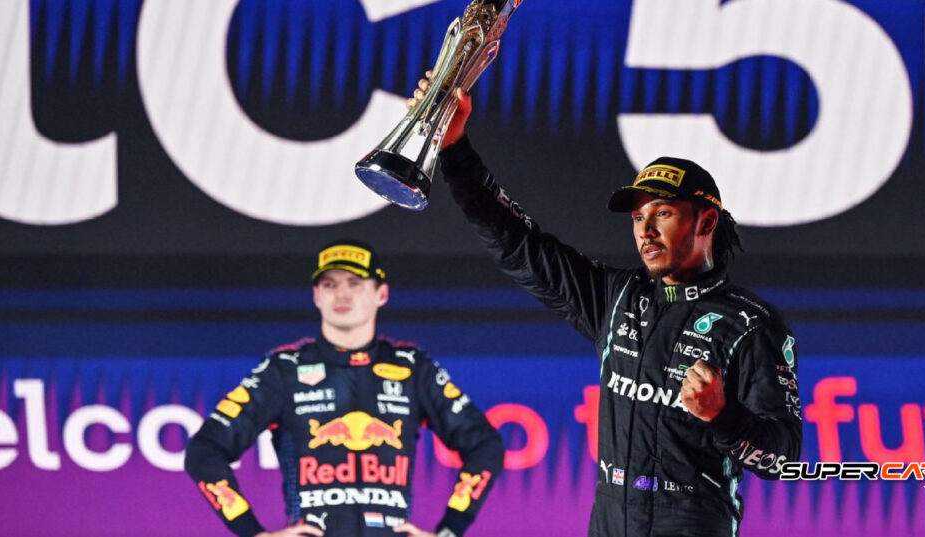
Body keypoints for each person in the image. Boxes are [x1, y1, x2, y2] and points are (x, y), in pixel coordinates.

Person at [409, 81, 802, 536]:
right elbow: (515, 242)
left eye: (663, 213)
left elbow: (782, 461)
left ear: (706, 221)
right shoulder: (617, 297)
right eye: (638, 218)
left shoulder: (752, 324)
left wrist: (722, 414)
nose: (646, 231)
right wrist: (454, 146)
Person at [185, 239, 505, 537]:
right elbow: (204, 451)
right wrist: (250, 531)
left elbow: (485, 445)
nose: (342, 294)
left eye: (355, 283)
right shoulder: (283, 369)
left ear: (381, 293)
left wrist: (450, 529)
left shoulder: (412, 367)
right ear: (316, 296)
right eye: (330, 284)